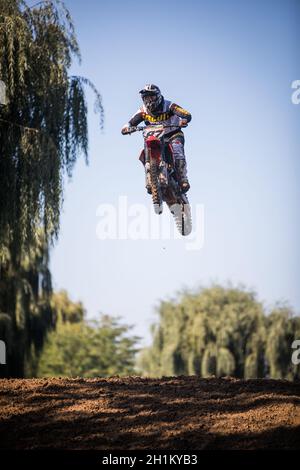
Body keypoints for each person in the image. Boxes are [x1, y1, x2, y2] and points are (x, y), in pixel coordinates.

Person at [121, 84, 192, 192]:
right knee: (145, 151)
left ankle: (183, 179)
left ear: (158, 96)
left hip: (173, 133)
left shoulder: (169, 106)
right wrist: (127, 128)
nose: (149, 100)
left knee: (178, 152)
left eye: (151, 97)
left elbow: (186, 114)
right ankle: (150, 179)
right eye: (146, 98)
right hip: (155, 136)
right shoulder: (143, 111)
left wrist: (184, 120)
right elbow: (130, 122)